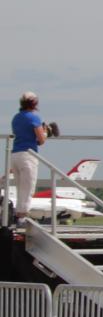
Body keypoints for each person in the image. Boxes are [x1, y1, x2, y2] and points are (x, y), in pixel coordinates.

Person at [8, 91, 48, 227]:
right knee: (28, 187)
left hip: (15, 154)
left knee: (20, 187)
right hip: (28, 155)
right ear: (34, 103)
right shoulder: (34, 118)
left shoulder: (16, 117)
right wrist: (45, 132)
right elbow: (41, 140)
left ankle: (18, 215)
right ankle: (22, 217)